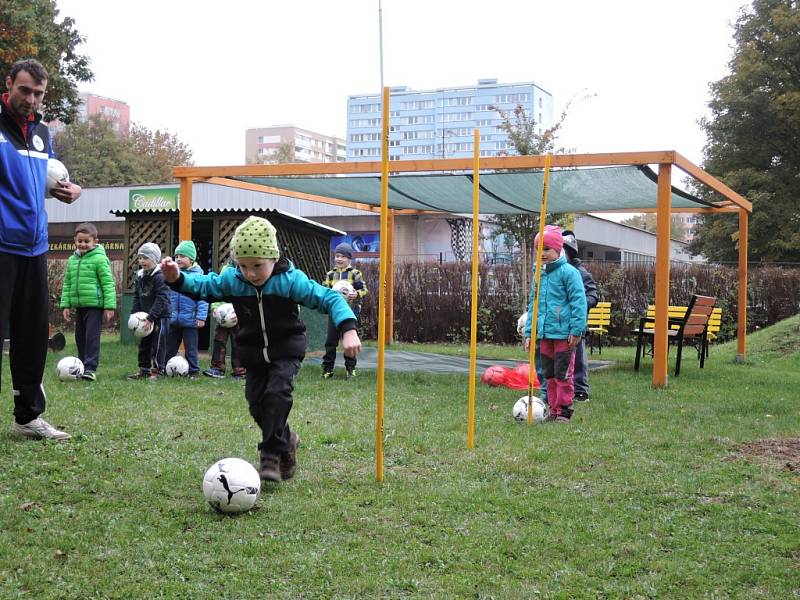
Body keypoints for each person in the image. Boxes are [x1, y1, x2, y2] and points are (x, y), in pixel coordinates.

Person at [161, 216, 362, 482]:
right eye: (243, 266)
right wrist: (177, 278)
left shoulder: (290, 280)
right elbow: (204, 285)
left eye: (257, 265)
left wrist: (348, 328)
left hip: (286, 348)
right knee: (257, 405)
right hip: (253, 352)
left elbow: (330, 297)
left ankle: (270, 453)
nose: (251, 273)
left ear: (273, 258)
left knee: (277, 393)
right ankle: (287, 439)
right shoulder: (233, 280)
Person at [1, 58, 81, 441]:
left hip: (35, 248)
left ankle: (28, 416)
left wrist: (70, 191)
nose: (31, 100)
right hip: (1, 246)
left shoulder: (42, 134)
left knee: (32, 335)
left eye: (38, 93)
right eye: (25, 90)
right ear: (9, 84)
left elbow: (46, 178)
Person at [523, 226, 587, 422]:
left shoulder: (569, 272)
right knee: (548, 374)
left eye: (546, 249)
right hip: (545, 334)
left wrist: (577, 329)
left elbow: (578, 301)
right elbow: (533, 303)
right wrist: (529, 332)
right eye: (538, 250)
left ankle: (565, 410)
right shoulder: (539, 274)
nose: (541, 254)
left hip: (564, 335)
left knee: (563, 374)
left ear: (558, 250)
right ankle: (553, 410)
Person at [59, 222, 117, 382]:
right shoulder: (72, 260)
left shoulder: (99, 259)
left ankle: (90, 368)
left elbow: (108, 283)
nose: (83, 244)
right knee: (80, 337)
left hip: (94, 307)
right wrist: (66, 305)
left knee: (91, 338)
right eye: (80, 241)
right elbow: (68, 283)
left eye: (86, 241)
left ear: (95, 242)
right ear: (74, 240)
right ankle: (81, 366)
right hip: (80, 306)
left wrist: (109, 306)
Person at [561, 230, 599, 401]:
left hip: (577, 323)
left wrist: (580, 304)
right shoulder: (558, 273)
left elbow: (593, 296)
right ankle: (560, 388)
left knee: (578, 359)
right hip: (559, 324)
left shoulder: (581, 273)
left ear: (568, 253)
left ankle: (580, 390)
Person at [321, 242, 368, 379]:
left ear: (349, 258)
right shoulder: (330, 275)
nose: (339, 259)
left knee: (349, 342)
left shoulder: (355, 274)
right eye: (337, 256)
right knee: (331, 341)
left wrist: (357, 294)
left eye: (343, 256)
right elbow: (324, 291)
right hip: (333, 313)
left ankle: (350, 368)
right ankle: (327, 369)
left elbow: (364, 290)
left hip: (350, 312)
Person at [127, 243, 171, 381]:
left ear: (155, 259)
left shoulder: (160, 276)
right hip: (144, 318)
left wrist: (151, 317)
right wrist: (134, 314)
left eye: (145, 258)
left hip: (160, 316)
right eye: (140, 258)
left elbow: (162, 298)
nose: (141, 261)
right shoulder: (139, 276)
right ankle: (144, 369)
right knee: (144, 343)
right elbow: (137, 296)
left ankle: (158, 370)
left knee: (158, 344)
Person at [165, 240, 208, 378]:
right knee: (169, 347)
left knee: (191, 348)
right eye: (176, 256)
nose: (178, 259)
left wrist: (201, 316)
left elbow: (203, 298)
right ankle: (165, 367)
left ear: (191, 259)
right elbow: (167, 296)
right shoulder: (173, 275)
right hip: (173, 319)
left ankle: (194, 371)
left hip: (190, 320)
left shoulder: (199, 276)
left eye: (182, 256)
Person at [203, 258, 246, 380]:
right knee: (219, 340)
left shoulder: (247, 272)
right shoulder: (226, 270)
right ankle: (217, 368)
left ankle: (240, 370)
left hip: (239, 316)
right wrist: (216, 307)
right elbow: (218, 290)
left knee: (239, 342)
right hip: (223, 316)